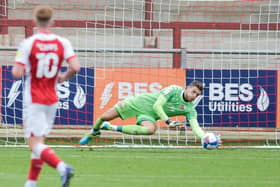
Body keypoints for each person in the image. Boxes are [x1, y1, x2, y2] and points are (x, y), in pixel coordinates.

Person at [12, 5, 80, 187]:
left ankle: (62, 167)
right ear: (52, 21)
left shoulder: (29, 43)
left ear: (34, 21)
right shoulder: (62, 42)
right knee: (39, 141)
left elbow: (16, 73)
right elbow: (75, 67)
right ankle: (31, 183)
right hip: (52, 98)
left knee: (33, 143)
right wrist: (63, 78)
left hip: (34, 98)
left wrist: (27, 65)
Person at [80, 80, 208, 145]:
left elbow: (195, 126)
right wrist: (168, 121)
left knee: (151, 130)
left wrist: (204, 138)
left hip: (149, 115)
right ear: (188, 87)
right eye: (194, 92)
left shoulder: (190, 108)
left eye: (197, 95)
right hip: (138, 102)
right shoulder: (174, 89)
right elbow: (157, 105)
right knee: (104, 116)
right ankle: (93, 132)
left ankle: (110, 127)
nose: (194, 96)